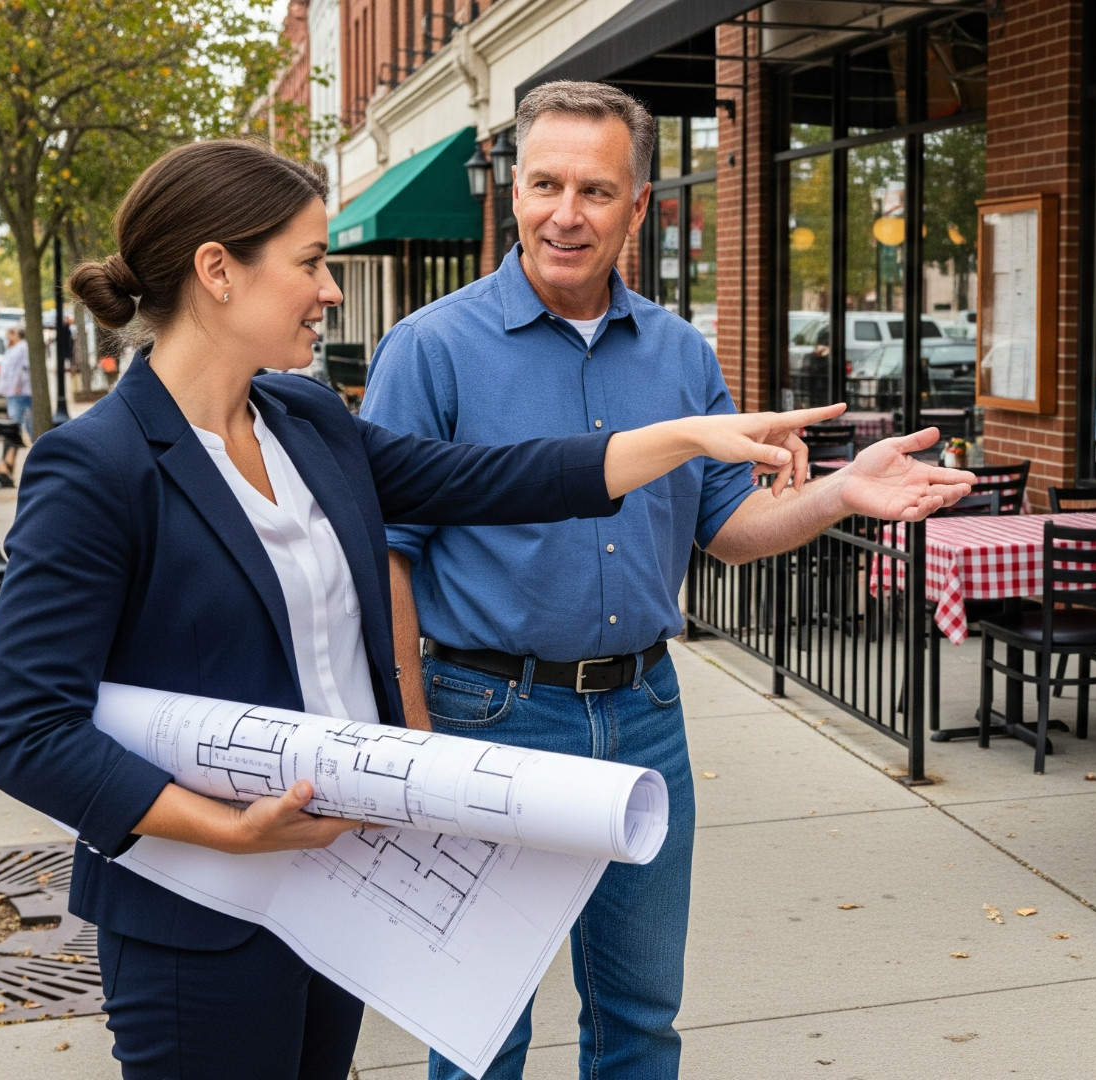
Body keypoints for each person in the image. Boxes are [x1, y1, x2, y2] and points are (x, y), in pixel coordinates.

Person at [0, 138, 906, 1080]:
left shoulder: (306, 421)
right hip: (199, 908)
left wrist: (685, 437)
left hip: (330, 886)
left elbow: (493, 478)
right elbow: (26, 730)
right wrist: (227, 827)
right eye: (309, 263)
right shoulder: (97, 464)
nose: (330, 290)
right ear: (217, 271)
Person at [360, 81, 974, 1080]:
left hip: (644, 710)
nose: (567, 214)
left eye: (596, 191)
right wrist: (412, 732)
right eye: (545, 184)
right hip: (487, 714)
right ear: (512, 193)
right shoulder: (432, 349)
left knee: (642, 1019)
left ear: (639, 206)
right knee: (481, 1024)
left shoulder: (682, 353)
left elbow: (728, 528)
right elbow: (386, 548)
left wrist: (843, 496)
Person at [0, 325, 32, 486]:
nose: (8, 336)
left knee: (14, 428)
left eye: (11, 333)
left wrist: (15, 386)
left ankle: (6, 466)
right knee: (14, 429)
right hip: (14, 392)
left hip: (19, 392)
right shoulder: (14, 348)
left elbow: (20, 370)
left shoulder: (22, 348)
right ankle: (6, 467)